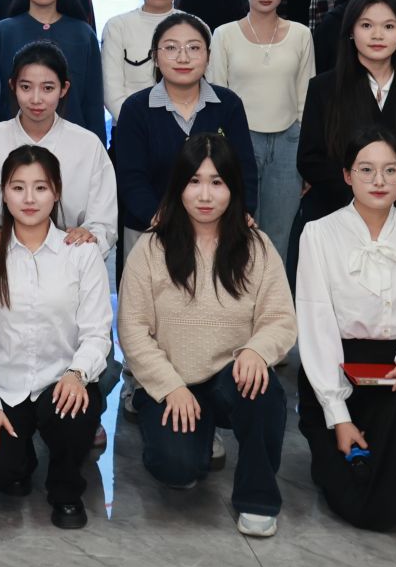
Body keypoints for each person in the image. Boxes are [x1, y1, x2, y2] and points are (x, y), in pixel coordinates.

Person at [120, 132, 294, 537]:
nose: (204, 195)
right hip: (173, 382)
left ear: (232, 188)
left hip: (232, 376)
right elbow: (132, 329)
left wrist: (256, 351)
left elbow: (280, 318)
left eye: (217, 182)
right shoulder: (151, 248)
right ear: (179, 186)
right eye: (194, 181)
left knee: (265, 392)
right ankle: (193, 438)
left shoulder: (256, 246)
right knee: (179, 471)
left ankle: (257, 499)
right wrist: (170, 387)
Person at [296, 129, 396, 532]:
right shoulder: (319, 233)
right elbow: (316, 326)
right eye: (366, 170)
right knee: (352, 496)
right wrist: (338, 415)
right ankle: (385, 487)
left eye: (390, 170)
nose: (379, 181)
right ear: (347, 175)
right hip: (338, 371)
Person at [0, 146, 111, 529]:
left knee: (73, 414)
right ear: (3, 192)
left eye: (40, 188)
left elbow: (97, 333)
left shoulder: (80, 252)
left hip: (62, 381)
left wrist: (78, 374)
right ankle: (21, 460)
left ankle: (66, 489)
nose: (29, 198)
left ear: (56, 192)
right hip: (5, 385)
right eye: (18, 187)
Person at [294, 0, 396, 252]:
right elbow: (310, 159)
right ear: (351, 32)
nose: (377, 35)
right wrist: (363, 193)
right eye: (366, 25)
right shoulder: (323, 88)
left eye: (388, 26)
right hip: (339, 221)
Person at [116, 13, 261, 260]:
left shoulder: (228, 104)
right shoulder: (136, 109)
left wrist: (241, 213)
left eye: (194, 48)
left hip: (218, 231)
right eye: (171, 48)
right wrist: (159, 219)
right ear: (155, 57)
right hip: (150, 230)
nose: (183, 58)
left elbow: (244, 170)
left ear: (208, 56)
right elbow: (131, 178)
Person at [0, 43, 118, 257]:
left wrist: (89, 234)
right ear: (13, 86)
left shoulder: (88, 144)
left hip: (69, 255)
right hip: (0, 254)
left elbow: (103, 219)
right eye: (26, 87)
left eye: (48, 88)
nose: (36, 99)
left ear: (64, 89)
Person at [206, 0, 313, 259]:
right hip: (240, 141)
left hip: (289, 142)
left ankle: (274, 293)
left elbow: (305, 98)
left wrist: (306, 156)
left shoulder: (301, 34)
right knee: (237, 232)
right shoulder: (224, 34)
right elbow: (216, 96)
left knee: (279, 237)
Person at [0, 0, 105, 137]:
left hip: (73, 143)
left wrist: (98, 147)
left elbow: (93, 103)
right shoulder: (2, 32)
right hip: (11, 142)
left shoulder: (83, 34)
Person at [100, 0, 183, 120]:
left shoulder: (195, 26)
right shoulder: (117, 26)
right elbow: (111, 92)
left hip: (186, 127)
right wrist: (138, 128)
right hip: (129, 125)